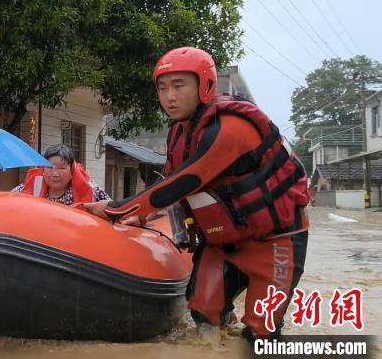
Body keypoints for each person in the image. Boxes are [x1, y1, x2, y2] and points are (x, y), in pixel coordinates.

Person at [84, 47, 310, 341]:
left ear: (205, 85)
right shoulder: (179, 132)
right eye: (163, 88)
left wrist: (115, 209)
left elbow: (186, 181)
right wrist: (144, 217)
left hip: (277, 240)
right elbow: (172, 188)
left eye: (179, 86)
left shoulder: (232, 127)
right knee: (204, 314)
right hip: (226, 242)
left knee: (260, 334)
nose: (169, 97)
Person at [12, 144, 111, 205]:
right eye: (50, 167)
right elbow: (8, 199)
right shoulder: (31, 186)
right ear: (43, 169)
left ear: (71, 170)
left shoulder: (89, 188)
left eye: (62, 168)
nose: (55, 174)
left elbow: (112, 208)